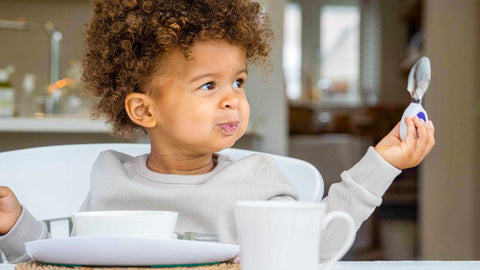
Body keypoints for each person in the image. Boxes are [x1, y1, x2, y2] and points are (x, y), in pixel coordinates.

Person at [0, 0, 435, 264]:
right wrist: (15, 225)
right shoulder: (110, 177)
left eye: (238, 82)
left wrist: (381, 163)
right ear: (143, 110)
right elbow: (65, 262)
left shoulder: (258, 178)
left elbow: (314, 249)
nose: (233, 100)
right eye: (208, 85)